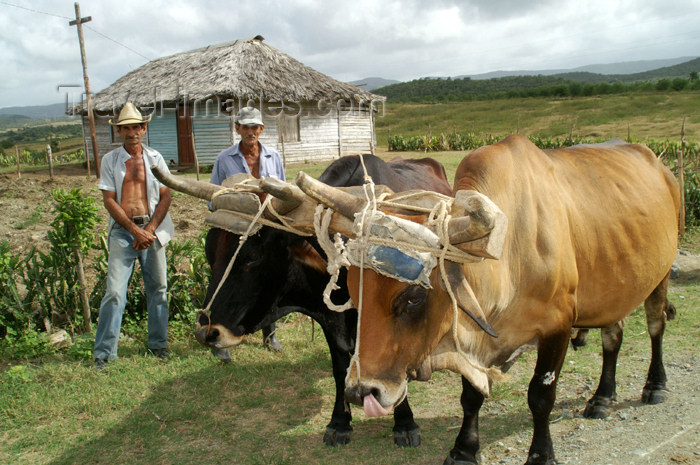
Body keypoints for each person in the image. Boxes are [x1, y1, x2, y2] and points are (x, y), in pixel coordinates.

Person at [93, 102, 174, 370]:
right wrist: (134, 230)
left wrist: (148, 230)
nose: (131, 132)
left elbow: (166, 195)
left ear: (143, 128)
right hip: (123, 232)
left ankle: (158, 345)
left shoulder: (156, 159)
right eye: (125, 128)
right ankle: (103, 354)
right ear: (119, 132)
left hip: (152, 231)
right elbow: (109, 199)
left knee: (159, 289)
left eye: (135, 127)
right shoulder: (110, 160)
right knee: (115, 292)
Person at [209, 106, 285, 360]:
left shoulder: (274, 157)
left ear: (261, 129)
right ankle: (219, 338)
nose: (250, 132)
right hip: (235, 230)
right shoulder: (224, 159)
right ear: (237, 129)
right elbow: (213, 197)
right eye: (245, 127)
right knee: (228, 281)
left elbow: (283, 192)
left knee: (269, 280)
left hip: (267, 230)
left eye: (255, 127)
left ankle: (269, 333)